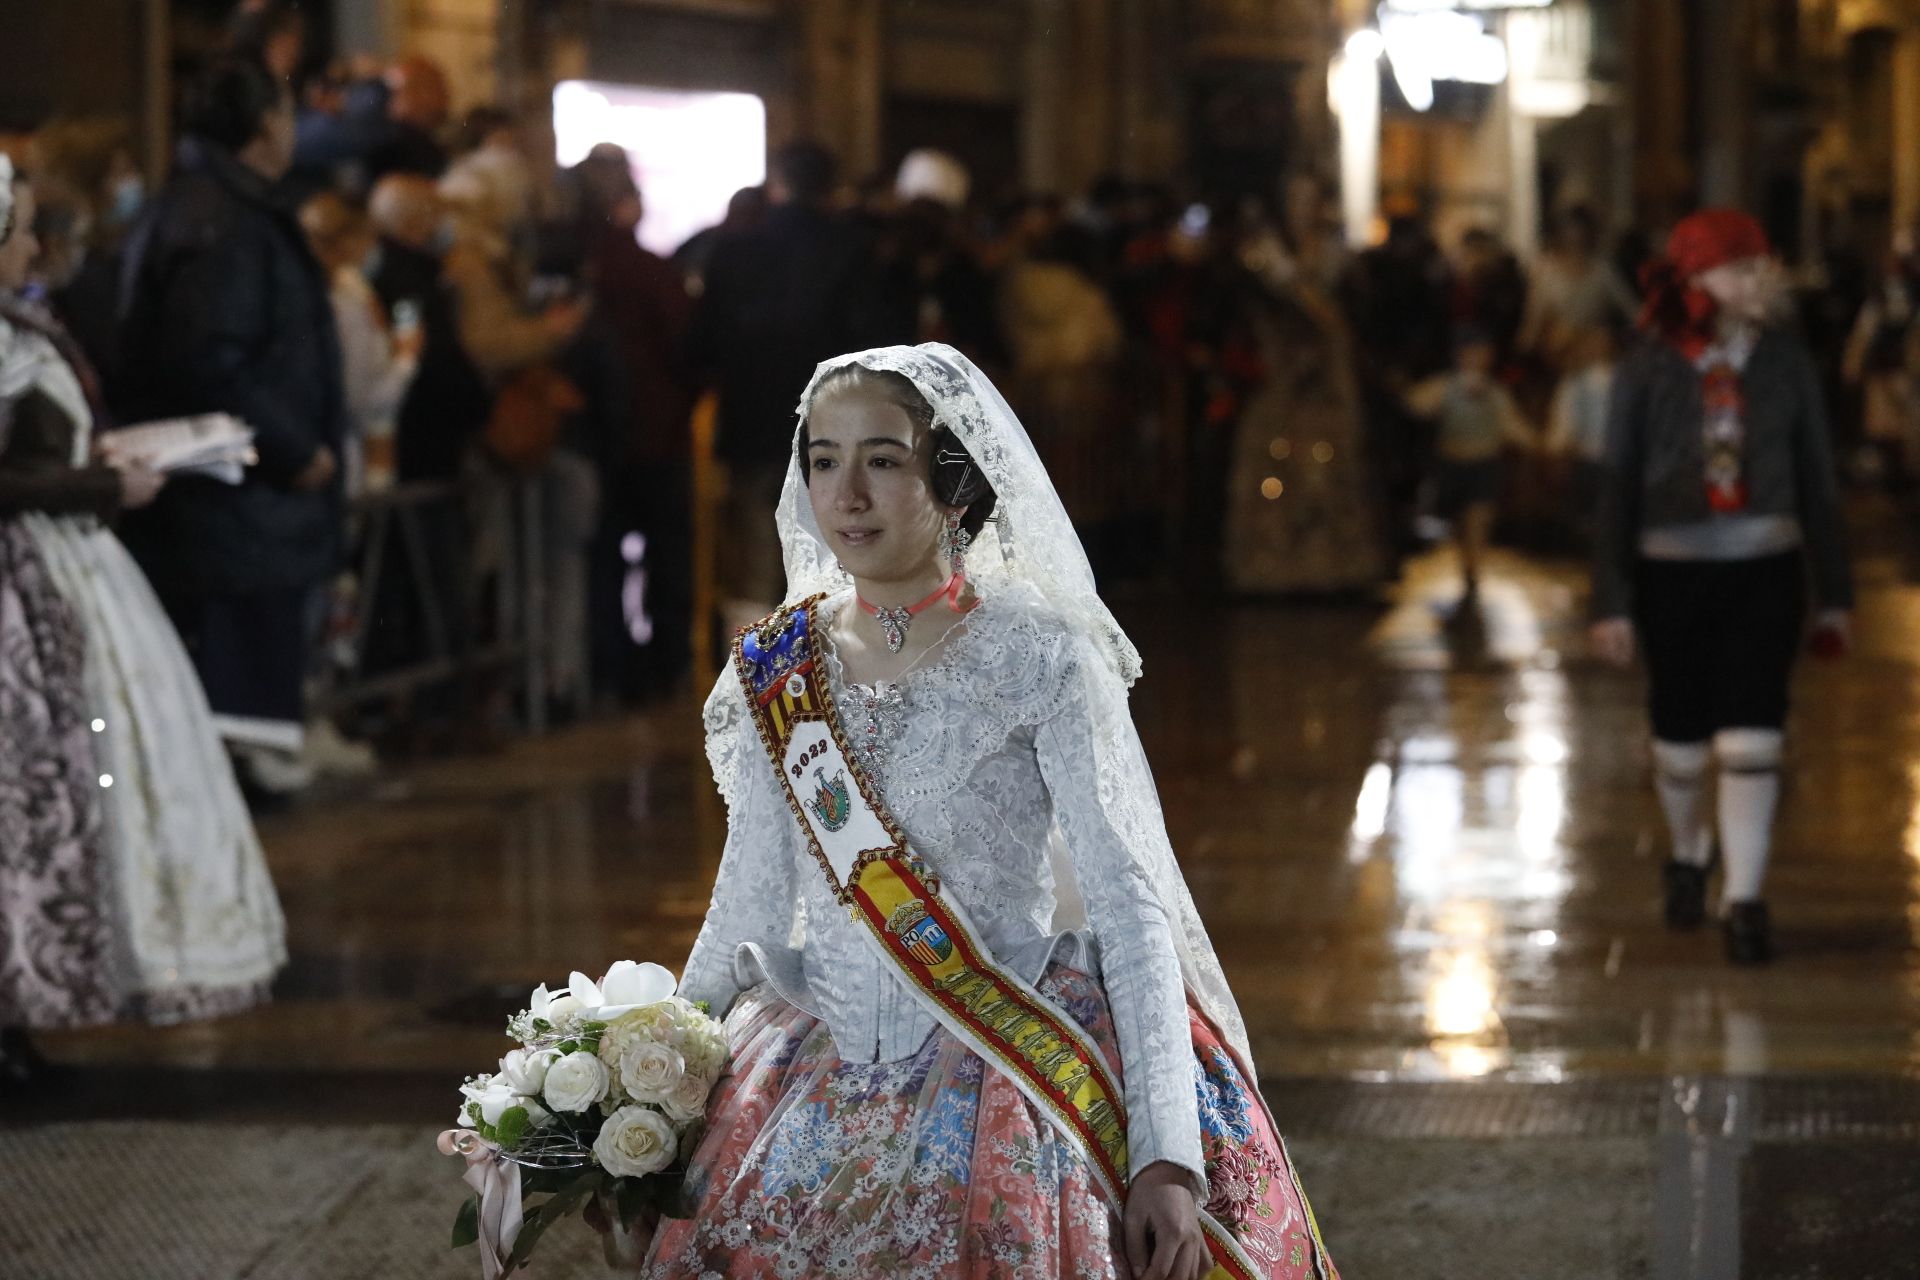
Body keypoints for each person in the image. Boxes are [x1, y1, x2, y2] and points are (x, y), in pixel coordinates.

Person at [649, 343, 1338, 1279]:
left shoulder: (1040, 653)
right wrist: (638, 1100)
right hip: (808, 1070)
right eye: (823, 459)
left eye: (883, 461)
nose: (845, 493)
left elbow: (1129, 905)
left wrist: (1165, 1154)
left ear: (953, 482)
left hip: (1012, 1059)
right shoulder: (777, 664)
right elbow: (747, 904)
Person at [0, 160, 286, 1032]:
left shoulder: (23, 325)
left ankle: (34, 1007)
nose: (30, 248)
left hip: (61, 567)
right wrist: (98, 485)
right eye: (16, 231)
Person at [1590, 209, 1854, 965]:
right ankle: (1688, 852)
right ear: (1697, 278)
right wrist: (1609, 600)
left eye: (1763, 269)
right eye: (1743, 269)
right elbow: (1616, 486)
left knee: (1752, 732)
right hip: (1669, 572)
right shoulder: (1646, 365)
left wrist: (1835, 592)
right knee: (1678, 743)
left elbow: (1818, 481)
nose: (1759, 282)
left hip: (1765, 568)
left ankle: (1744, 899)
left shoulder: (1786, 360)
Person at [116, 54, 345, 799]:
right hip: (237, 506)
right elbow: (213, 359)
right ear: (261, 128)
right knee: (236, 740)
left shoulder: (208, 207)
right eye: (283, 114)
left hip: (240, 510)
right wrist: (294, 448)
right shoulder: (227, 222)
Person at [688, 140, 901, 620]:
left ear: (776, 184)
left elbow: (701, 342)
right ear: (830, 189)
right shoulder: (852, 251)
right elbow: (878, 343)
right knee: (833, 547)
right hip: (835, 428)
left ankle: (753, 679)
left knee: (755, 551)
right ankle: (831, 673)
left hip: (752, 422)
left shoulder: (733, 250)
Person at [1405, 329, 1536, 598]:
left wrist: (1538, 441)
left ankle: (1473, 573)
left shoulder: (1495, 393)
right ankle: (1466, 565)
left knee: (1479, 518)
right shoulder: (1446, 387)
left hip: (1484, 462)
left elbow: (1512, 425)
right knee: (1459, 522)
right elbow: (1416, 404)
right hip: (1452, 462)